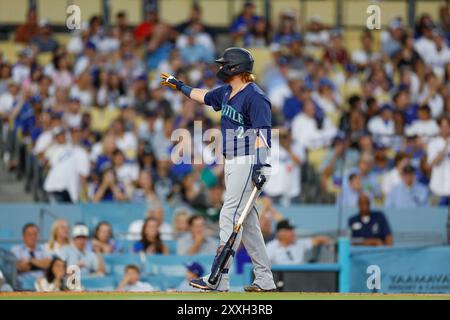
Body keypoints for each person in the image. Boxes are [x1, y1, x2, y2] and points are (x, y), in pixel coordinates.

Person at [161, 47, 277, 292]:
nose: (220, 67)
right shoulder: (226, 91)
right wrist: (179, 85)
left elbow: (263, 133)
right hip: (232, 162)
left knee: (229, 215)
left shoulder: (255, 96)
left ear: (236, 68)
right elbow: (203, 96)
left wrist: (261, 164)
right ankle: (265, 280)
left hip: (247, 160)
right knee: (249, 226)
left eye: (225, 64)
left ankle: (218, 279)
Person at [266, 220, 332, 265]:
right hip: (280, 278)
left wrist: (332, 246)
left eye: (292, 230)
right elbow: (265, 265)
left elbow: (319, 240)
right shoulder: (271, 246)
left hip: (300, 277)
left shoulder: (299, 243)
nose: (292, 232)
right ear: (280, 232)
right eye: (289, 230)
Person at [11, 223, 52, 288]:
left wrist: (30, 261)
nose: (33, 237)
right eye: (29, 234)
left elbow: (48, 263)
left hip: (42, 283)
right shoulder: (16, 249)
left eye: (35, 234)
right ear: (23, 236)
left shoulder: (43, 249)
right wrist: (40, 263)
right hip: (23, 283)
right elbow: (20, 267)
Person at [427, 117, 450, 200]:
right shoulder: (433, 143)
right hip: (437, 188)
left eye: (447, 127)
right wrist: (445, 147)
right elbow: (433, 163)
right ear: (439, 128)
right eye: (442, 127)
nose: (445, 129)